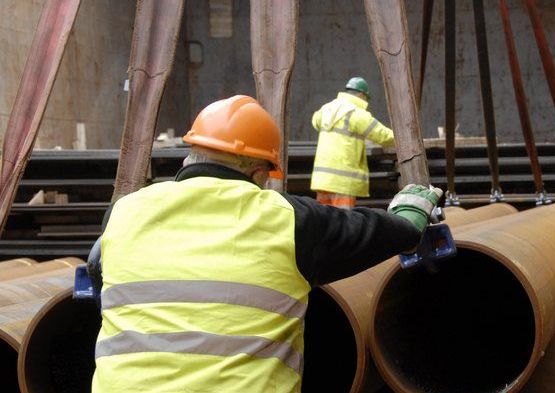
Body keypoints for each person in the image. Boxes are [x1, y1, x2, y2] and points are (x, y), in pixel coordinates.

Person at [88, 95, 442, 393]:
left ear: (189, 156)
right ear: (259, 173)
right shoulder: (289, 219)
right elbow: (386, 233)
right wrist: (411, 214)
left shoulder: (125, 212)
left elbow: (99, 271)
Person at [310, 76, 395, 209]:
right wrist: (405, 139)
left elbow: (315, 121)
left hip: (323, 180)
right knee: (344, 223)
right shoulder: (356, 113)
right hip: (342, 182)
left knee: (324, 221)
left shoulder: (326, 109)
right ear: (361, 95)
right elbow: (382, 135)